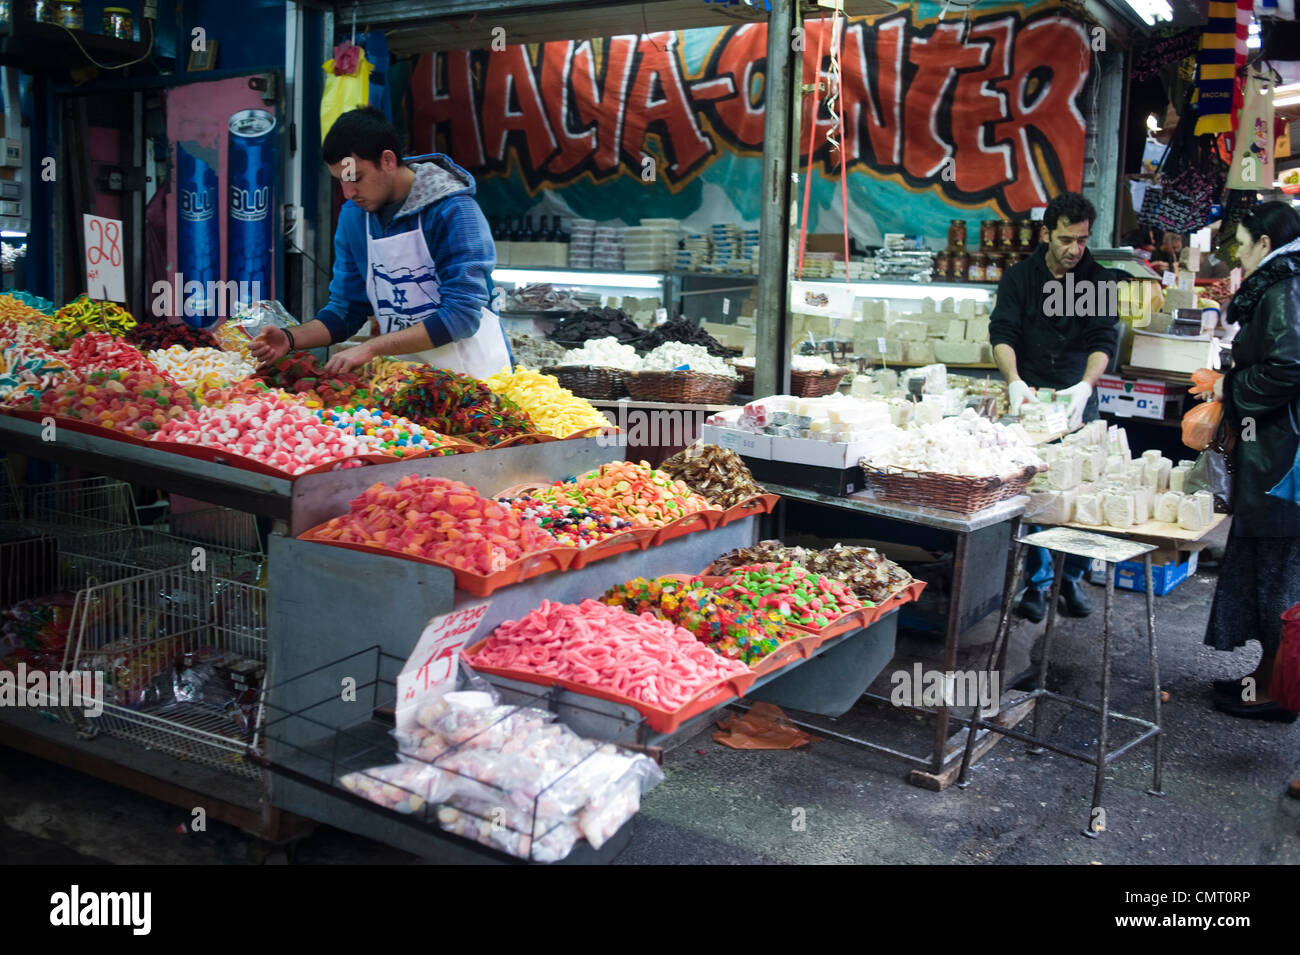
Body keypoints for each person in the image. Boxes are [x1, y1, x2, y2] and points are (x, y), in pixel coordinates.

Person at [250, 106, 509, 378]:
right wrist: (290, 338)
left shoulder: (454, 211)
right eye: (340, 181)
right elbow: (346, 310)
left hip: (477, 380)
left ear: (387, 161)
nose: (348, 193)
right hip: (407, 383)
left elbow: (461, 315)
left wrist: (373, 347)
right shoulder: (354, 217)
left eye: (356, 178)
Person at [990, 191, 1122, 622]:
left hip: (1077, 395)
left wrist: (1085, 387)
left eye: (1082, 240)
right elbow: (1003, 333)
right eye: (1066, 239)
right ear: (1046, 233)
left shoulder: (1097, 281)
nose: (1074, 250)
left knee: (1079, 491)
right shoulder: (1020, 278)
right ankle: (1037, 581)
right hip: (1032, 396)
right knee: (1036, 491)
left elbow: (1104, 339)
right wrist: (1014, 382)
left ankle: (1072, 578)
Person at [1202, 200, 1300, 722]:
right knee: (1269, 569)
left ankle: (1280, 692)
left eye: (1240, 242)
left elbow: (1289, 366)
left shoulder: (1285, 285)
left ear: (1265, 243)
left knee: (1280, 575)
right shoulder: (1283, 281)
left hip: (1283, 459)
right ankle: (1268, 675)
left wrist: (1231, 386)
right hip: (1274, 451)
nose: (1236, 254)